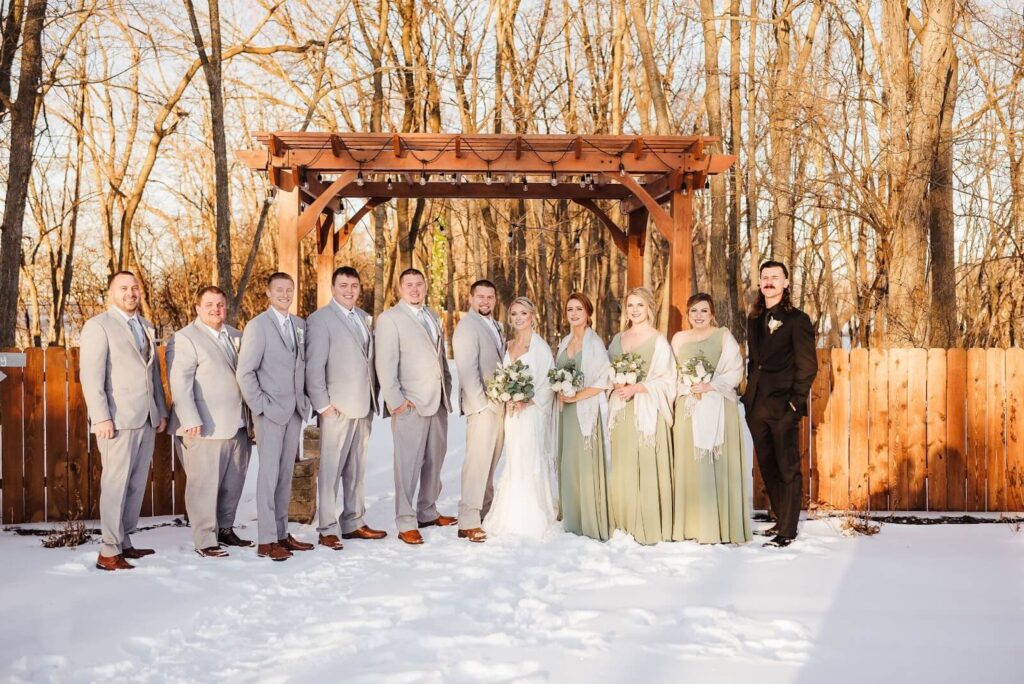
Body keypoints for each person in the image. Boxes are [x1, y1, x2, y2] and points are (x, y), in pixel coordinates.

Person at [80, 271, 168, 571]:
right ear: (111, 293)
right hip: (116, 420)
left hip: (145, 418)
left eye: (134, 288)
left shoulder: (145, 325)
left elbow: (152, 374)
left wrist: (161, 410)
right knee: (116, 485)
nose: (131, 293)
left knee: (135, 484)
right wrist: (101, 416)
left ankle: (124, 541)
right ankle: (108, 551)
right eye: (123, 288)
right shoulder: (98, 326)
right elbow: (91, 378)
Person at [167, 285, 253, 558]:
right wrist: (190, 418)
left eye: (220, 304)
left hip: (238, 424)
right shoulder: (185, 338)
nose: (216, 309)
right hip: (203, 426)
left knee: (234, 483)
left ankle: (225, 529)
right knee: (203, 486)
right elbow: (179, 383)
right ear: (197, 308)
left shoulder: (236, 336)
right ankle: (205, 538)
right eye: (210, 305)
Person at [305, 266, 387, 551]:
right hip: (336, 408)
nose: (349, 290)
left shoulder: (364, 318)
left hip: (363, 406)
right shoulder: (320, 320)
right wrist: (323, 405)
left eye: (354, 285)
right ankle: (327, 527)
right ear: (333, 287)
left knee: (356, 469)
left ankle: (353, 520)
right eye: (343, 285)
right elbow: (313, 366)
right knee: (330, 471)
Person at [374, 268, 456, 545]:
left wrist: (447, 387)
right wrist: (396, 402)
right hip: (410, 403)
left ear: (425, 286)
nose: (415, 289)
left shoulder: (433, 315)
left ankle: (428, 511)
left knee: (435, 460)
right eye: (409, 285)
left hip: (438, 401)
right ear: (399, 288)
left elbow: (440, 357)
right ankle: (406, 520)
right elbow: (384, 364)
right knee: (407, 465)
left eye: (419, 284)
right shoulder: (390, 319)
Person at [236, 272, 314, 561]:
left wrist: (303, 401)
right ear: (268, 293)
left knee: (285, 476)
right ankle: (267, 540)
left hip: (294, 411)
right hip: (270, 413)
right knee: (268, 477)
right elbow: (245, 373)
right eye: (279, 290)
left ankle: (282, 533)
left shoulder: (299, 325)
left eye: (289, 289)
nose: (285, 294)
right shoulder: (258, 327)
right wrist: (261, 407)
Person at [742, 261, 818, 548]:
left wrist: (795, 405)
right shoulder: (754, 317)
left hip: (784, 407)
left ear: (786, 283)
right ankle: (779, 518)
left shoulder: (797, 320)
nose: (769, 282)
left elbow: (808, 367)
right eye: (765, 278)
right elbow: (754, 362)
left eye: (775, 277)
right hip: (757, 406)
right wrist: (750, 397)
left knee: (788, 468)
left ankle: (788, 530)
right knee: (768, 466)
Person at [670, 293, 751, 545]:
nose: (698, 316)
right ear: (687, 313)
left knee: (715, 465)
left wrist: (710, 385)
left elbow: (735, 370)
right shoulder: (679, 339)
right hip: (688, 406)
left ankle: (717, 525)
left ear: (712, 313)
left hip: (716, 404)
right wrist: (686, 386)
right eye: (694, 310)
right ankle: (691, 524)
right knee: (690, 464)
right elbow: (669, 370)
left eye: (704, 311)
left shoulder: (723, 336)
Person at [483, 297, 557, 539]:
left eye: (522, 313)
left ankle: (532, 512)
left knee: (530, 458)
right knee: (514, 458)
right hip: (512, 414)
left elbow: (548, 384)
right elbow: (502, 376)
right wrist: (505, 394)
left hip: (532, 412)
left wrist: (528, 399)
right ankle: (509, 510)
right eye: (513, 314)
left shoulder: (540, 348)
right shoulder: (508, 345)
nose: (517, 318)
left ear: (532, 316)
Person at [607, 287, 676, 545]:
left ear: (649, 308)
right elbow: (608, 370)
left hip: (646, 406)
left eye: (640, 305)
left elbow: (668, 379)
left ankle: (648, 523)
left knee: (645, 462)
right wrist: (615, 383)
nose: (634, 310)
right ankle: (625, 520)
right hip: (622, 410)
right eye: (630, 305)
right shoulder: (617, 339)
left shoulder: (658, 340)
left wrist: (637, 387)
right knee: (624, 463)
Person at [554, 293, 612, 542]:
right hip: (565, 412)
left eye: (579, 309)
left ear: (588, 313)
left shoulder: (595, 343)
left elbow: (603, 381)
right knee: (568, 462)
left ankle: (589, 520)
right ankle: (572, 518)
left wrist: (576, 397)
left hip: (586, 410)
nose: (574, 313)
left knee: (585, 464)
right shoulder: (565, 341)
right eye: (570, 309)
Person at [452, 279, 506, 543]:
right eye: (480, 297)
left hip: (498, 404)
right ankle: (468, 520)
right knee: (476, 463)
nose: (485, 301)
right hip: (482, 406)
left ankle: (484, 511)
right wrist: (480, 405)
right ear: (471, 299)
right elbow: (466, 369)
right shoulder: (467, 326)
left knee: (489, 462)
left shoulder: (495, 325)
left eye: (490, 297)